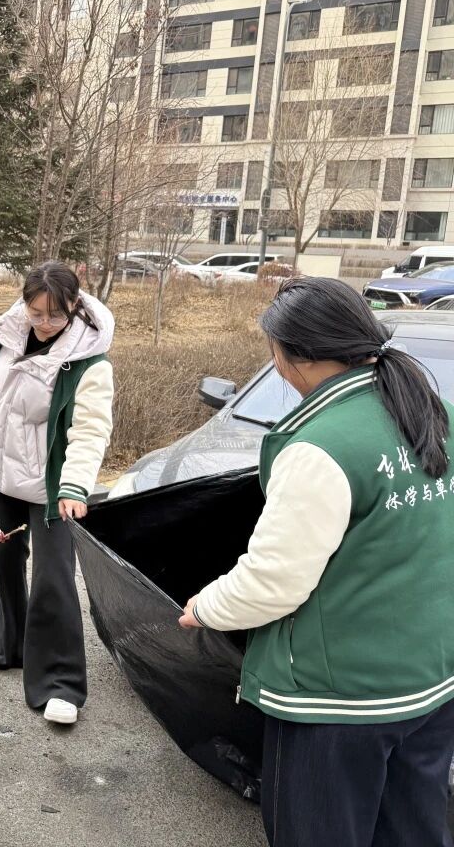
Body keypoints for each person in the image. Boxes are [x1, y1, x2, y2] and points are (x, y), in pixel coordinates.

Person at [180, 277, 454, 847]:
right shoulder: (437, 411)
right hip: (432, 679)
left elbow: (274, 582)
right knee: (412, 829)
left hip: (338, 701)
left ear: (294, 356)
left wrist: (205, 608)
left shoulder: (319, 446)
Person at [0, 260, 114, 726]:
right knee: (5, 558)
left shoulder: (90, 360)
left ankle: (61, 683)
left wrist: (75, 485)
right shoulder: (11, 327)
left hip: (52, 485)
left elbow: (90, 430)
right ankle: (6, 645)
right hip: (3, 471)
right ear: (24, 303)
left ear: (74, 306)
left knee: (53, 577)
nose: (44, 323)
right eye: (36, 312)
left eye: (55, 315)